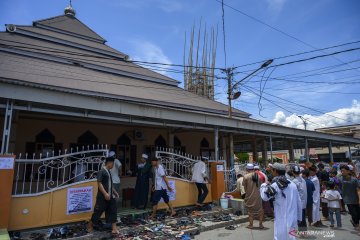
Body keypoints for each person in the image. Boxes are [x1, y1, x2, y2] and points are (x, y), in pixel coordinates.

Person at [260, 163, 302, 240]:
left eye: (272, 170)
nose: (271, 172)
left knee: (280, 237)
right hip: (292, 217)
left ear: (275, 171)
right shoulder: (292, 184)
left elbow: (265, 197)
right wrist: (299, 217)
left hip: (281, 218)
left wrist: (264, 185)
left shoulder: (275, 185)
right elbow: (298, 202)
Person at [88, 156, 120, 234]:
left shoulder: (109, 171)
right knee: (98, 212)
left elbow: (110, 184)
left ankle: (114, 228)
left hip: (110, 196)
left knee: (113, 210)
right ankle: (90, 225)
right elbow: (99, 183)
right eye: (112, 164)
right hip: (102, 197)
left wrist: (115, 192)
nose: (113, 166)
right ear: (110, 163)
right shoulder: (102, 171)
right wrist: (105, 193)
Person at [242, 163, 264, 229]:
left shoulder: (245, 177)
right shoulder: (258, 176)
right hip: (258, 195)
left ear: (247, 169)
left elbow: (245, 187)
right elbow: (260, 185)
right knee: (260, 209)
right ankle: (260, 224)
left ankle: (251, 225)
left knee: (250, 210)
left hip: (249, 195)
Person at [339, 164, 360, 229]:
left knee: (358, 214)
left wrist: (359, 199)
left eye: (343, 171)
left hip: (356, 199)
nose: (342, 172)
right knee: (353, 213)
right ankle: (357, 226)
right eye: (341, 171)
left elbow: (358, 190)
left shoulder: (354, 180)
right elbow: (338, 187)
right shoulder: (340, 179)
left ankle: (354, 222)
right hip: (347, 200)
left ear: (348, 171)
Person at [292, 165, 307, 230]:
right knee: (302, 217)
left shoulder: (294, 181)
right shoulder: (303, 180)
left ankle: (302, 232)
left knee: (300, 217)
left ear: (293, 172)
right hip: (303, 201)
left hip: (298, 202)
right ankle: (304, 231)